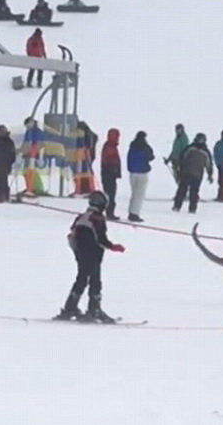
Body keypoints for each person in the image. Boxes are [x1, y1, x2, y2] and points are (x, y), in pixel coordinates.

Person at [54, 191, 126, 323]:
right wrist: (112, 246)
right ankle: (94, 309)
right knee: (95, 281)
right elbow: (100, 239)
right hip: (93, 255)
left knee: (82, 279)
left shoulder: (81, 217)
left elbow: (72, 235)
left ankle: (70, 307)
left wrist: (77, 252)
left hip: (81, 254)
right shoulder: (97, 219)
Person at [172, 133, 214, 213]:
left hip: (197, 175)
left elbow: (209, 164)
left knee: (194, 192)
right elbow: (182, 157)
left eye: (202, 140)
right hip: (186, 172)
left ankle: (192, 208)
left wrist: (210, 174)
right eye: (199, 139)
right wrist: (179, 166)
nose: (200, 141)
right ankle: (177, 206)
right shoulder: (190, 148)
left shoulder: (205, 152)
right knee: (182, 190)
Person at [126, 131, 154, 222]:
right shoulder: (145, 147)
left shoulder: (132, 146)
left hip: (133, 173)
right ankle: (135, 213)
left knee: (134, 193)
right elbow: (151, 157)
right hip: (142, 172)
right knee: (139, 195)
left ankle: (131, 211)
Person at [0, 125, 16, 203]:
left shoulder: (9, 142)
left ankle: (4, 195)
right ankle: (0, 195)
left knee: (3, 180)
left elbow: (12, 154)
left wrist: (9, 162)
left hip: (5, 165)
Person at [21, 117, 46, 195]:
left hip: (34, 155)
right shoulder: (28, 132)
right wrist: (23, 151)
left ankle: (35, 188)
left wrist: (39, 156)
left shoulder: (37, 132)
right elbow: (25, 143)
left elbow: (40, 144)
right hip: (28, 155)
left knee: (32, 171)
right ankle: (29, 187)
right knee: (25, 171)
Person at [101, 128, 121, 220]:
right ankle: (110, 212)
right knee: (110, 193)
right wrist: (114, 170)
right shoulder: (110, 147)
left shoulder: (109, 146)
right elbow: (110, 161)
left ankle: (110, 211)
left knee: (110, 193)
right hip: (109, 174)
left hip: (108, 174)